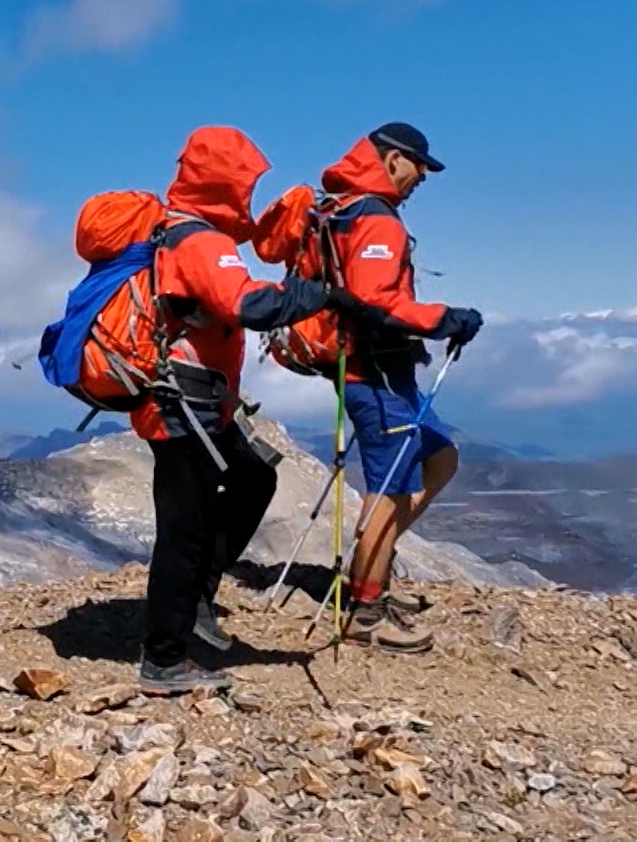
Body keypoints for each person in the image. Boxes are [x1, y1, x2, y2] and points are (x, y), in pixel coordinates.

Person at [132, 126, 332, 695]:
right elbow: (248, 304)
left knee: (252, 478)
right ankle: (163, 660)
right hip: (181, 403)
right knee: (184, 529)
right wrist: (315, 296)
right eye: (245, 182)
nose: (250, 193)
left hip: (196, 399)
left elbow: (232, 283)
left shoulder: (185, 230)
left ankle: (196, 598)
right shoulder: (200, 241)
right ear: (225, 181)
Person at [319, 122, 482, 654]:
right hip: (377, 373)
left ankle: (375, 568)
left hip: (379, 373)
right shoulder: (375, 218)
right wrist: (444, 318)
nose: (421, 179)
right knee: (387, 493)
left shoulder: (342, 209)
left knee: (441, 458)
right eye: (418, 167)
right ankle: (365, 612)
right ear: (392, 159)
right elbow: (376, 301)